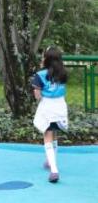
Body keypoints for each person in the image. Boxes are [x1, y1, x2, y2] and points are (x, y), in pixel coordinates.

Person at [31, 47, 69, 184]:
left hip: (47, 106)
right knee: (54, 134)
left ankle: (54, 170)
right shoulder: (64, 73)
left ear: (46, 59)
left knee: (47, 135)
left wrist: (40, 99)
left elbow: (37, 94)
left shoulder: (40, 75)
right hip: (60, 106)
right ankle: (50, 161)